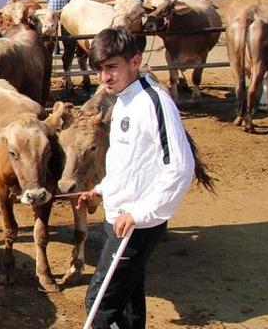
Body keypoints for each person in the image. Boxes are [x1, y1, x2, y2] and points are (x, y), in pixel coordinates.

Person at [76, 28, 194, 329]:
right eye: (100, 69)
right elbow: (129, 161)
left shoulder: (154, 102)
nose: (104, 77)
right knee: (128, 302)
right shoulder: (123, 100)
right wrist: (101, 190)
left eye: (112, 67)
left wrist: (139, 213)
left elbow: (179, 167)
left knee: (99, 307)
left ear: (135, 61)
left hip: (135, 224)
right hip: (120, 216)